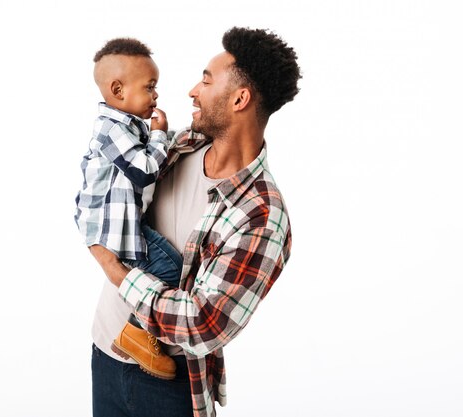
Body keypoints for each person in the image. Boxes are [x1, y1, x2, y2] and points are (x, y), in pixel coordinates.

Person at [88, 27, 301, 417]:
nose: (192, 91)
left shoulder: (261, 217)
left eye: (205, 79)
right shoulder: (179, 144)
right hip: (105, 352)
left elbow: (201, 324)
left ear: (240, 99)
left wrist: (114, 269)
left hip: (170, 385)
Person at [74, 38, 183, 380]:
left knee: (167, 268)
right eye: (150, 87)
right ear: (118, 90)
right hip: (111, 232)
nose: (156, 95)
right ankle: (135, 333)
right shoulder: (111, 129)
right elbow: (144, 169)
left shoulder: (127, 126)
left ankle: (135, 334)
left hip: (119, 226)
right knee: (174, 269)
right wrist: (161, 135)